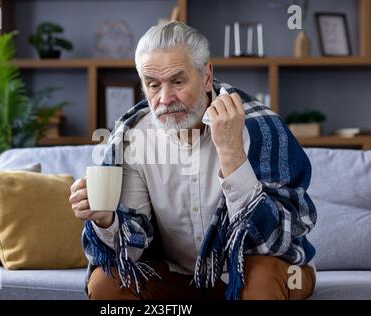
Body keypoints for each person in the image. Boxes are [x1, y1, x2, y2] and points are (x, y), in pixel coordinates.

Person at [69, 21, 316, 300]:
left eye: (177, 81)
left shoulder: (259, 128)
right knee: (106, 283)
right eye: (152, 85)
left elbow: (275, 241)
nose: (165, 99)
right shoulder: (133, 138)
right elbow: (132, 247)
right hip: (179, 276)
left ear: (207, 76)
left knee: (261, 276)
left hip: (256, 269)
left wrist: (231, 151)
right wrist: (106, 220)